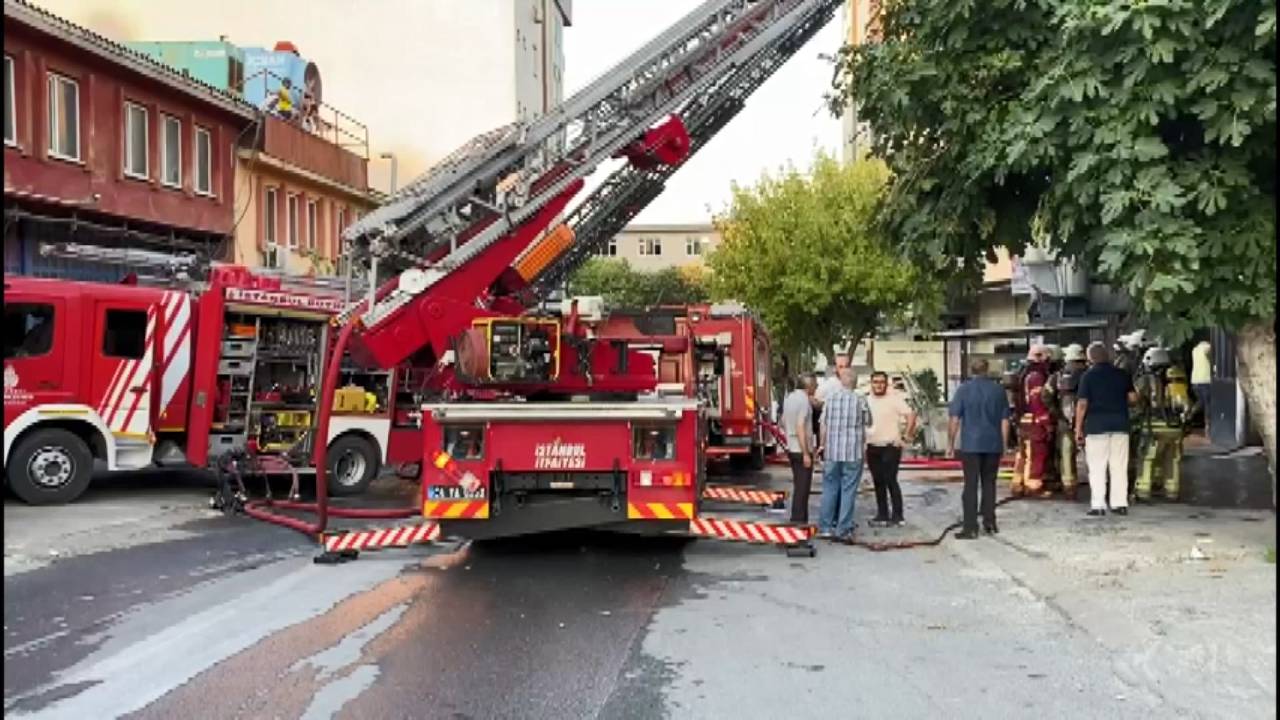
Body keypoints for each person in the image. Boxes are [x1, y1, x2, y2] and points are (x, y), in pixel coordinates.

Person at [946, 358, 1010, 539]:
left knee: (971, 485)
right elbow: (1004, 421)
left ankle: (970, 527)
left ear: (971, 370)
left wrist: (950, 444)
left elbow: (954, 419)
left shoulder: (964, 390)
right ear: (987, 369)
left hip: (971, 444)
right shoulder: (998, 391)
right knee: (989, 484)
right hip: (993, 443)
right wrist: (1004, 445)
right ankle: (989, 523)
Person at [1075, 342, 1138, 517]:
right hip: (1120, 425)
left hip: (1096, 426)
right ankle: (1119, 504)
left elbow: (1082, 404)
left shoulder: (1087, 376)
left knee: (1097, 466)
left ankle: (1098, 505)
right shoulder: (1122, 374)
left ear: (1090, 358)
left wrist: (1078, 428)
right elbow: (1133, 398)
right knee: (1119, 465)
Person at [818, 367, 872, 543]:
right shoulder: (860, 399)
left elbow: (823, 425)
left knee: (829, 487)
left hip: (832, 451)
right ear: (855, 383)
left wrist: (822, 445)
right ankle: (843, 528)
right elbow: (868, 422)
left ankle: (825, 527)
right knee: (848, 490)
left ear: (842, 381)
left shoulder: (830, 399)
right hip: (852, 452)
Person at [865, 371, 917, 527]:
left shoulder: (894, 400)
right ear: (871, 383)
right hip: (872, 446)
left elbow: (911, 415)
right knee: (878, 481)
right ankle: (882, 514)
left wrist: (906, 436)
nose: (878, 385)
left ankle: (898, 515)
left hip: (891, 446)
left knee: (890, 480)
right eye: (875, 382)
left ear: (886, 384)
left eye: (881, 382)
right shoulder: (866, 401)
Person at [1013, 345, 1056, 497]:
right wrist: (1046, 423)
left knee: (1023, 454)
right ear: (1041, 357)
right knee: (1036, 454)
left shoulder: (1023, 373)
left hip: (1024, 420)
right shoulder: (1037, 376)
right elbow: (1037, 401)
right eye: (1047, 358)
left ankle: (1018, 484)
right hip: (1034, 423)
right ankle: (1033, 486)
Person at [780, 375, 818, 525]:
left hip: (791, 447)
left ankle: (797, 519)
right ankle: (799, 521)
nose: (816, 388)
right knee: (803, 489)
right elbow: (800, 426)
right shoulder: (803, 402)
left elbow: (782, 420)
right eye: (815, 385)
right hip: (800, 449)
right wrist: (806, 453)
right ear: (809, 386)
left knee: (798, 485)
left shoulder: (790, 398)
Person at [1190, 339, 1212, 434]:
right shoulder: (1208, 348)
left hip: (1195, 380)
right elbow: (1211, 358)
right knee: (1208, 403)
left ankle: (1189, 413)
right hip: (1205, 379)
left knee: (1201, 402)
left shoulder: (1194, 350)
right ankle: (1208, 426)